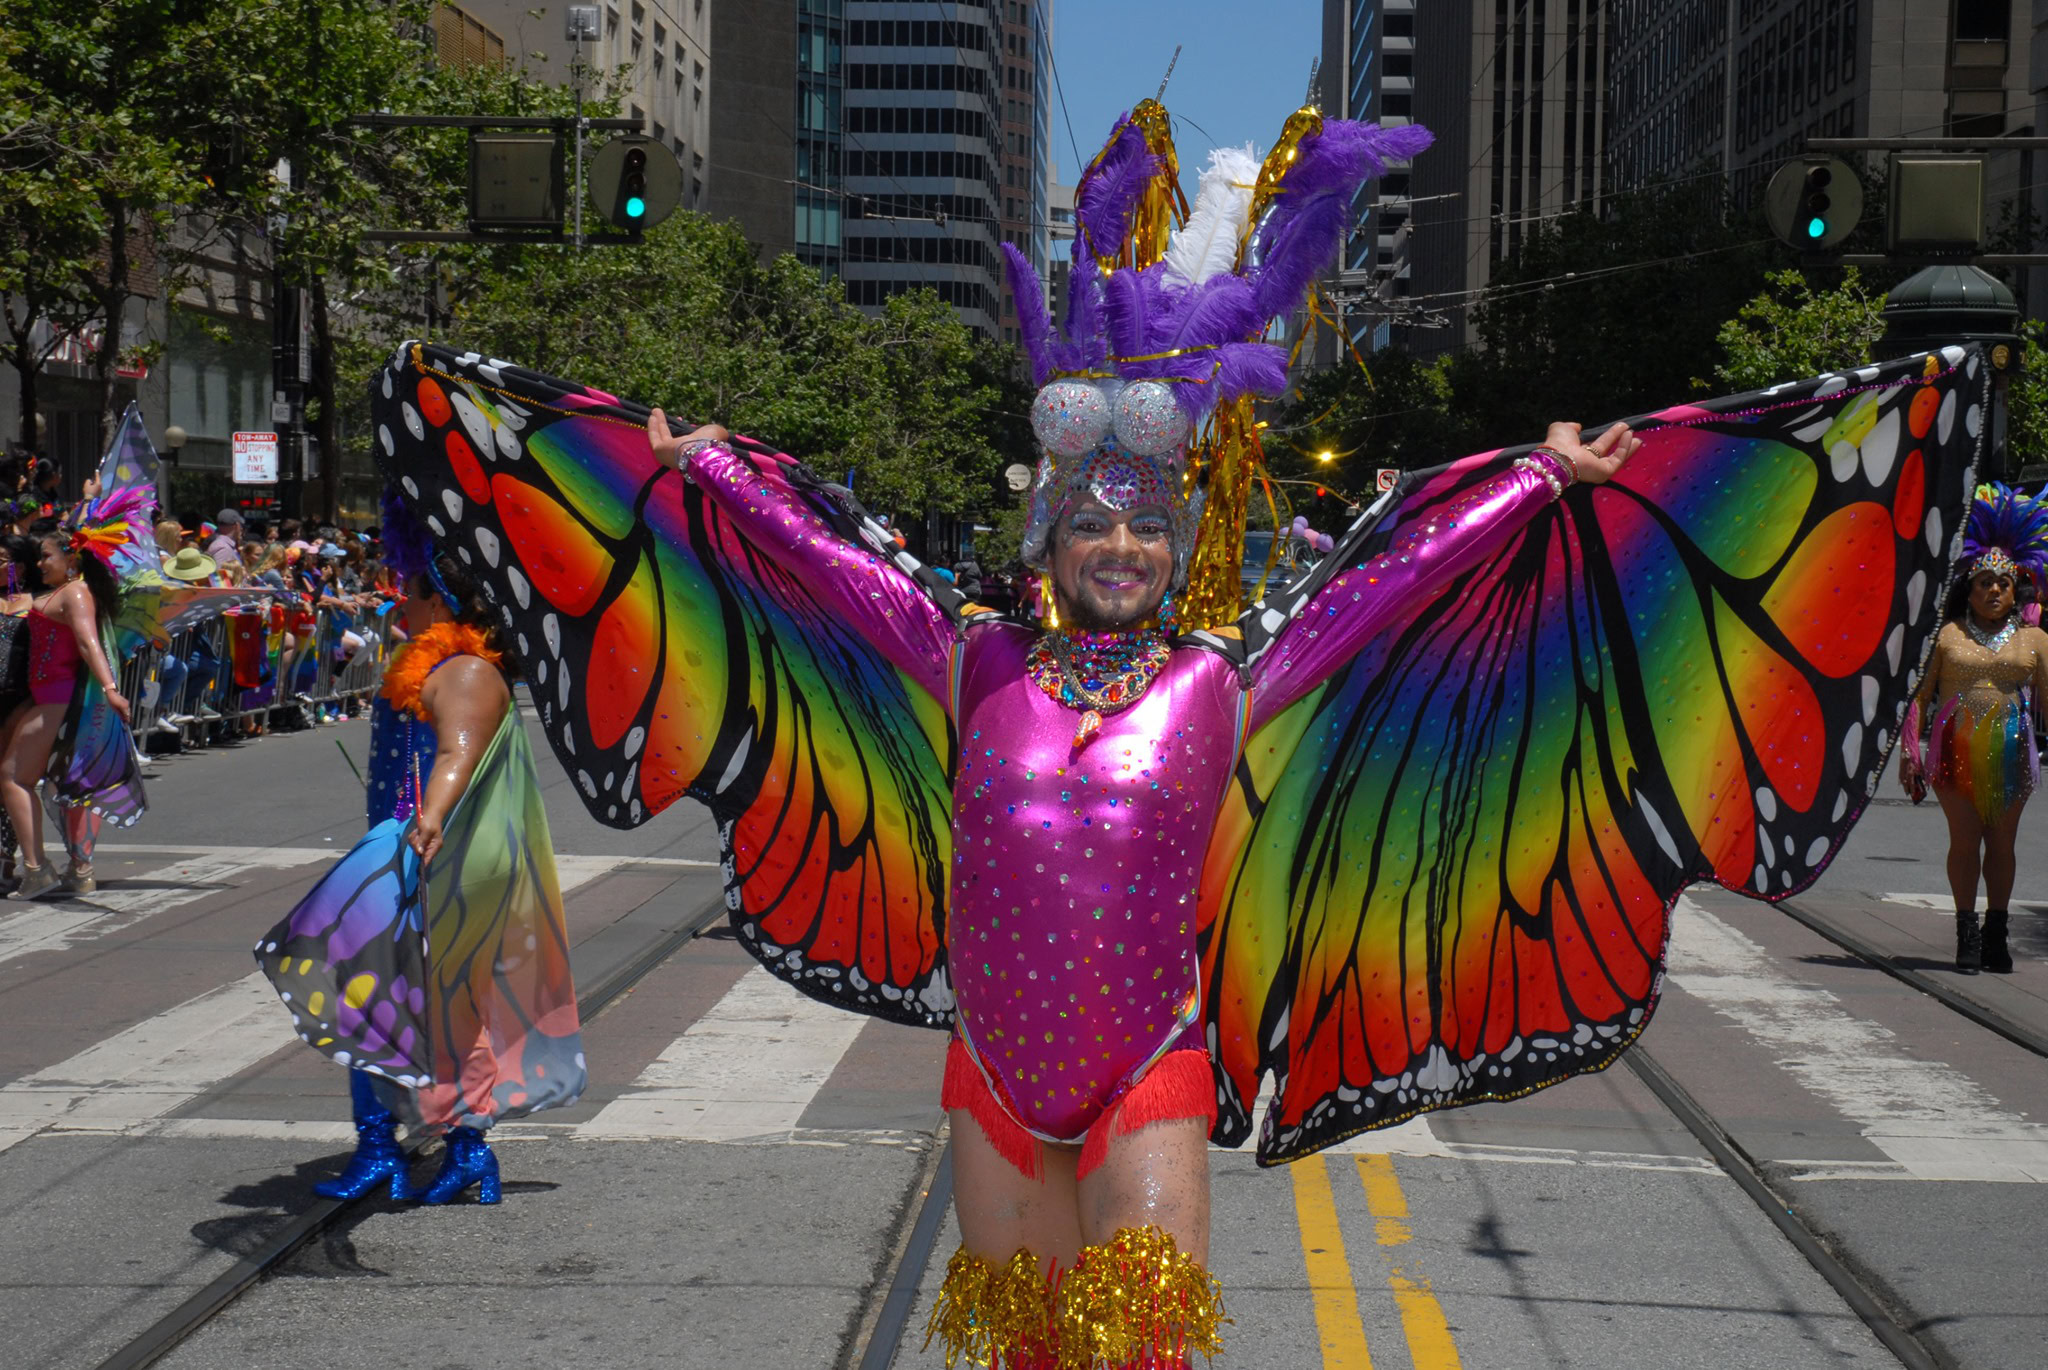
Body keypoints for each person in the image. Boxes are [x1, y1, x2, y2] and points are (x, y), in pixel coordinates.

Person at [377, 100, 1983, 1368]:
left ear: (1180, 543)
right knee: (1022, 1359)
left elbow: (1394, 583)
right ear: (1053, 535)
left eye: (1148, 534)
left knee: (1138, 1352)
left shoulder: (1225, 681)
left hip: (1152, 1064)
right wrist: (701, 470)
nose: (1124, 551)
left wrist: (1543, 482)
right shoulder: (965, 659)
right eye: (1096, 528)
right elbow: (827, 567)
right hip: (990, 1074)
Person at [256, 491, 585, 1204]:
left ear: (438, 599)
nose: (393, 599)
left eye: (404, 588)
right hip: (420, 847)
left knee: (368, 988)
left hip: (435, 852)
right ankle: (466, 1151)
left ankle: (383, 1149)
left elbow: (455, 755)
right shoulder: (436, 661)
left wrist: (429, 818)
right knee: (433, 1003)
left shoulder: (464, 670)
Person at [1900, 483, 2048, 974]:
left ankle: (1996, 932)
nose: (1993, 591)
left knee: (2002, 844)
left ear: (2016, 590)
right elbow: (1918, 699)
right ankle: (1966, 930)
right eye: (1984, 581)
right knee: (1965, 840)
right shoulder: (1946, 635)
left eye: (2002, 585)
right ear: (1970, 585)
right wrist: (1909, 753)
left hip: (2012, 754)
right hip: (1952, 752)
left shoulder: (2036, 639)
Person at [0, 508, 137, 898]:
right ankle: (75, 869)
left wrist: (110, 688)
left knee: (13, 778)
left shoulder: (75, 592)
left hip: (57, 699)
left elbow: (86, 641)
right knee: (63, 781)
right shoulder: (61, 592)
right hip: (44, 699)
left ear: (71, 559)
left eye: (46, 556)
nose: (39, 563)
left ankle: (37, 870)